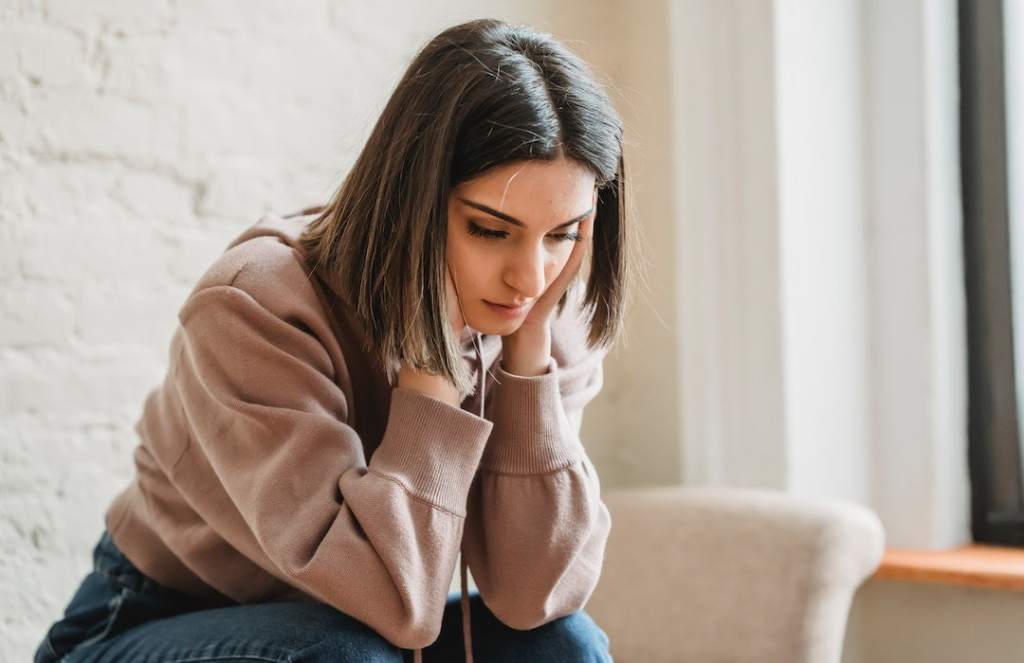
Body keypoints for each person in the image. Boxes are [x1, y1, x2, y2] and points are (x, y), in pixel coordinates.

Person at [34, 16, 633, 663]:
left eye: (562, 233)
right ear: (413, 198)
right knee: (343, 656)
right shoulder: (257, 307)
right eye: (491, 229)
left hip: (360, 627)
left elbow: (533, 596)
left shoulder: (540, 316)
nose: (531, 276)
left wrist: (529, 363)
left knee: (563, 646)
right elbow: (393, 599)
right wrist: (430, 362)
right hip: (152, 618)